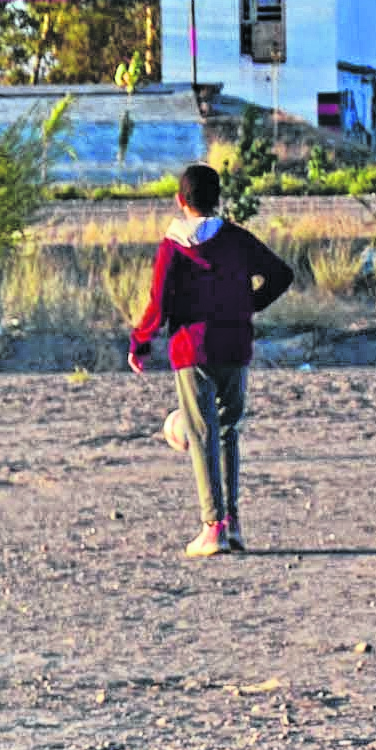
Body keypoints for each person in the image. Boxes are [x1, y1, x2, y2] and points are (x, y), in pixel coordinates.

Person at [128, 163, 295, 556]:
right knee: (227, 430)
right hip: (235, 345)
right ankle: (232, 522)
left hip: (193, 349)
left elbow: (160, 301)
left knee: (201, 436)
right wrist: (247, 305)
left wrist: (141, 341)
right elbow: (281, 274)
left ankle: (211, 527)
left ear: (179, 200)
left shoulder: (172, 247)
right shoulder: (236, 238)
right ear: (218, 199)